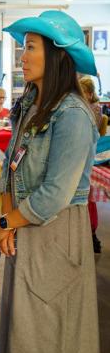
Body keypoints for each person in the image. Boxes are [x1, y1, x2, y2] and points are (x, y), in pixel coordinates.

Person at [0, 10, 100, 353]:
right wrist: (6, 215)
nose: (23, 57)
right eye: (24, 47)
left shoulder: (72, 114)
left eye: (31, 47)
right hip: (26, 223)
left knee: (54, 329)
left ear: (57, 56)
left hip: (57, 233)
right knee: (28, 324)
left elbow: (55, 194)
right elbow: (10, 166)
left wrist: (6, 224)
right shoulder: (30, 104)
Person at [79, 76, 103, 253]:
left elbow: (88, 132)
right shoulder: (86, 107)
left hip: (88, 154)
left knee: (88, 198)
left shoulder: (93, 108)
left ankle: (91, 233)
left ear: (88, 93)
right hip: (86, 153)